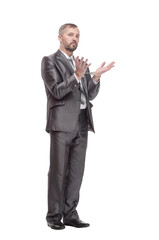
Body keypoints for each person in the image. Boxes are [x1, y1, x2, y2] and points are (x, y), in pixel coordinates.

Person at [41, 23, 115, 230]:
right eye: (70, 35)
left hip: (82, 123)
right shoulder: (49, 61)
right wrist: (77, 76)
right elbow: (55, 91)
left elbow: (89, 94)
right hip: (61, 124)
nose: (75, 38)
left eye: (78, 36)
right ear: (60, 38)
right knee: (58, 172)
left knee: (76, 172)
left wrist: (96, 76)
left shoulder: (81, 63)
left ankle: (70, 214)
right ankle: (54, 216)